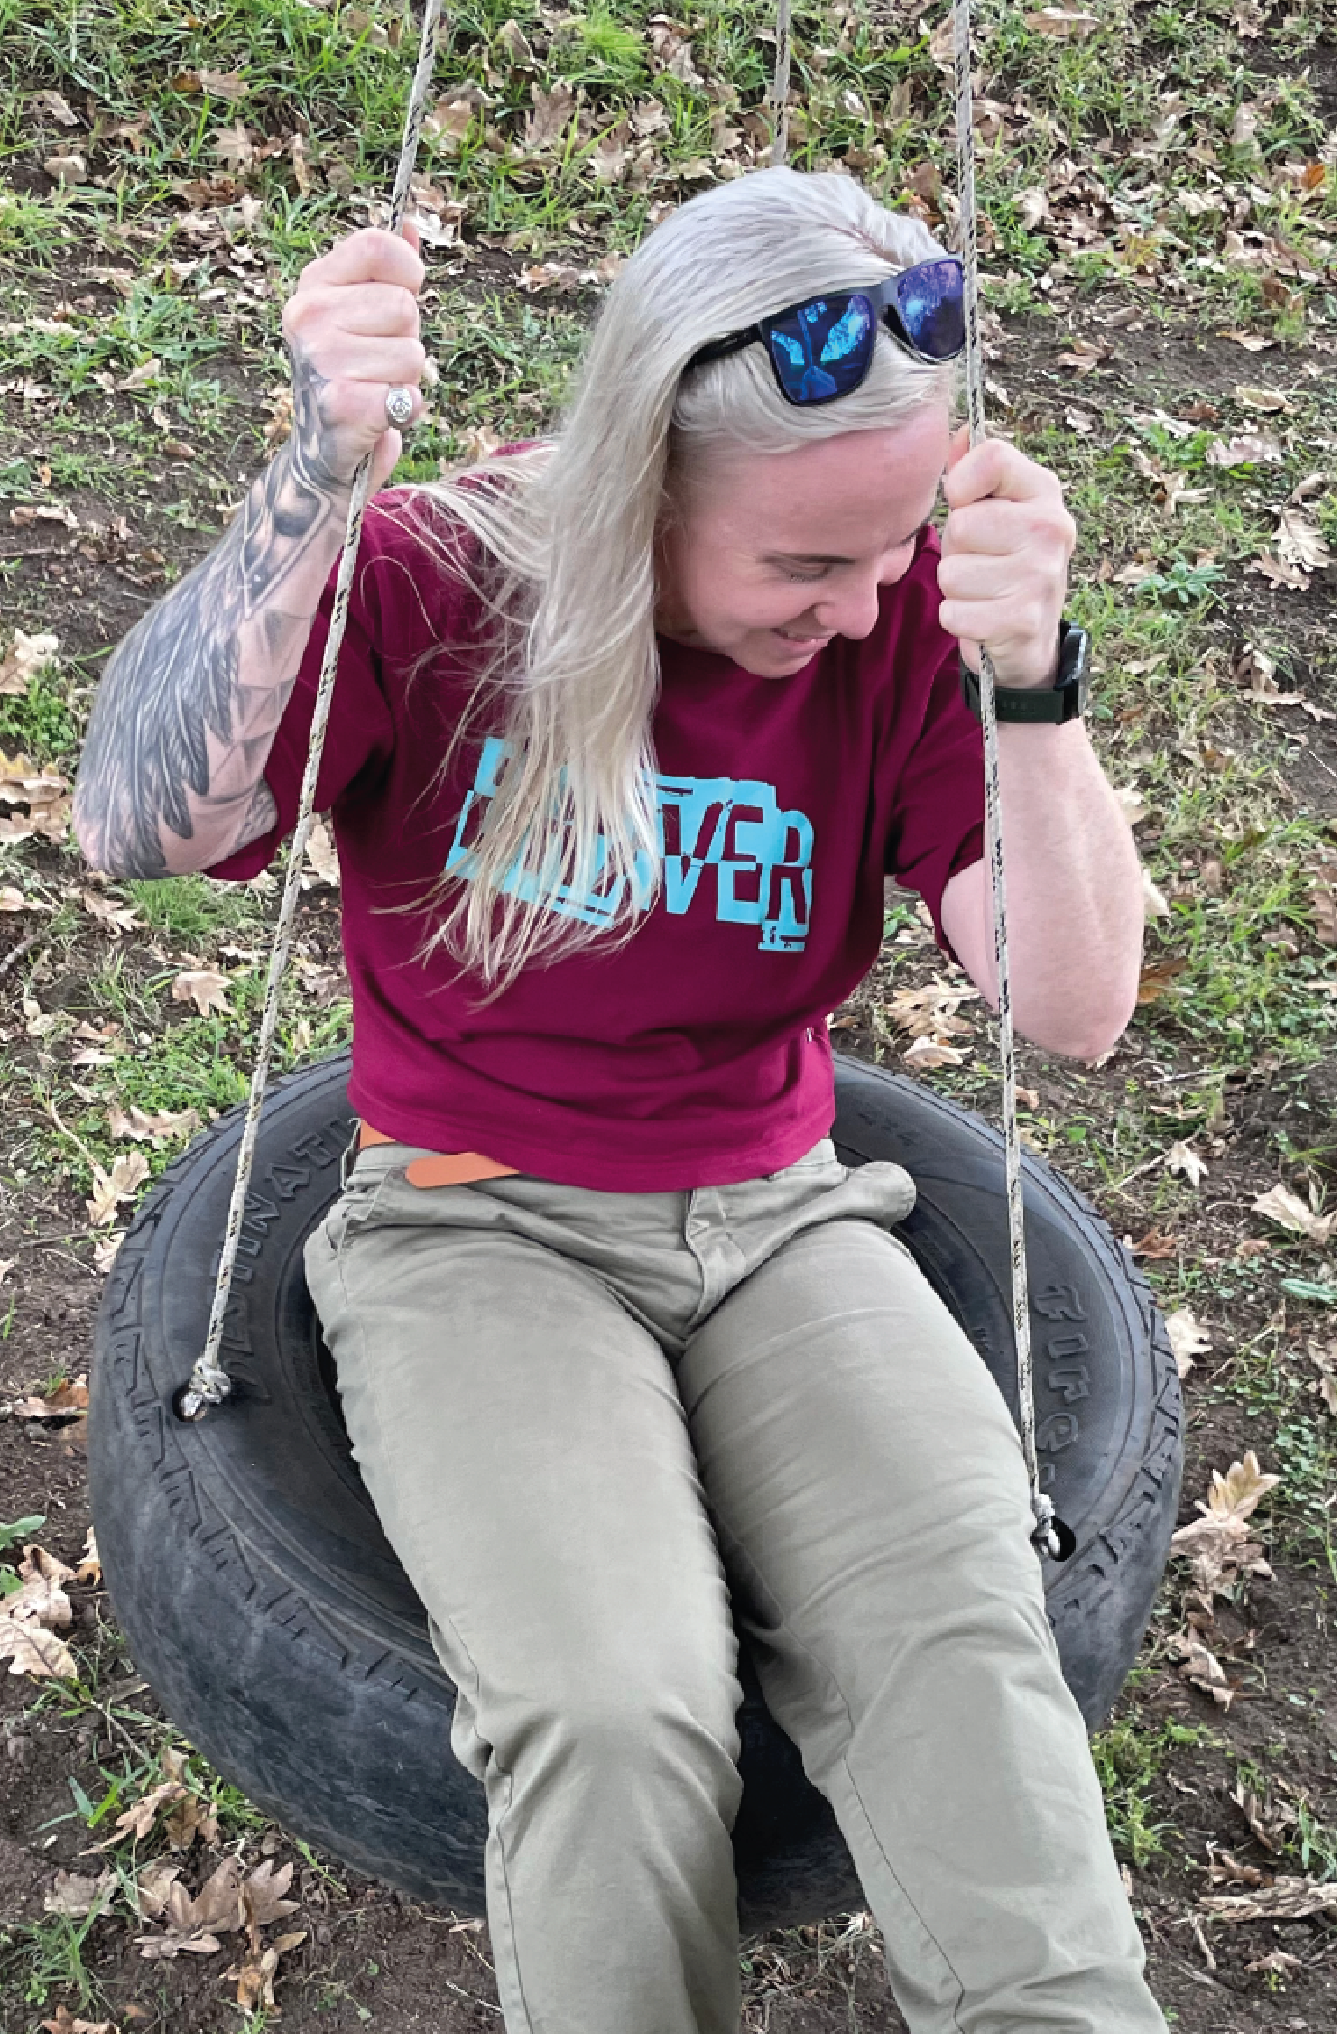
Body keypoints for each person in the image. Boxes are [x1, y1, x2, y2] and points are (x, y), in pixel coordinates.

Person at [74, 167, 1161, 2034]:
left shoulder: (898, 629)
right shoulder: (440, 585)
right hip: (466, 1219)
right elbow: (133, 823)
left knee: (967, 1652)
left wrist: (1034, 682)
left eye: (894, 547)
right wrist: (312, 481)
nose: (859, 603)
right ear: (641, 483)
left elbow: (1072, 1009)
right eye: (802, 566)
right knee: (616, 1707)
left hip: (783, 1215)